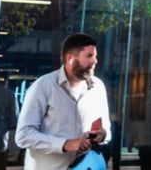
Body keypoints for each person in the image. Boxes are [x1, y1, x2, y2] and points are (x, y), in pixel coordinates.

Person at [15, 33, 110, 170]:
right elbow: (23, 136)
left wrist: (103, 134)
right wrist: (64, 144)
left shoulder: (98, 87)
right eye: (89, 56)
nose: (95, 61)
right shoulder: (43, 86)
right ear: (70, 59)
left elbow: (106, 127)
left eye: (95, 56)